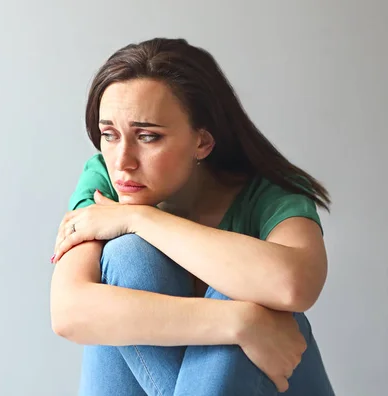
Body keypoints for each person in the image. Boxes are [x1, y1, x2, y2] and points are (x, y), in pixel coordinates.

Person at [49, 37, 335, 396]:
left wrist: (140, 220)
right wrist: (240, 322)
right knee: (128, 255)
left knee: (242, 287)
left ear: (203, 142)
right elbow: (69, 312)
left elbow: (293, 286)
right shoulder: (106, 179)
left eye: (148, 136)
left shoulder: (268, 192)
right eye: (109, 134)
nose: (122, 160)